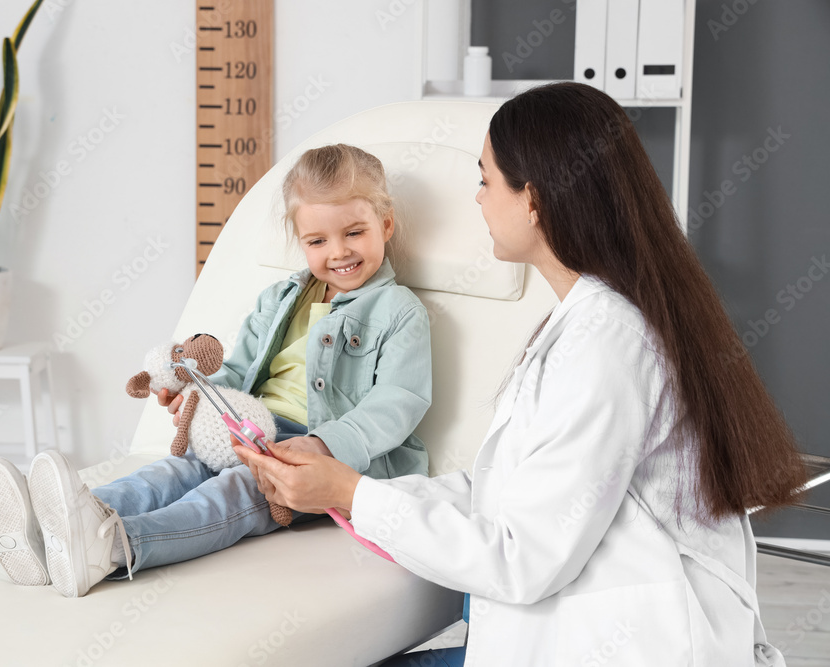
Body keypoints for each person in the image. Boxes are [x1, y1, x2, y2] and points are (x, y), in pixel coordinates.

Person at [235, 83, 807, 666]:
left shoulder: (607, 345)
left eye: (485, 179)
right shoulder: (590, 316)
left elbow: (521, 559)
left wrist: (350, 492)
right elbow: (506, 486)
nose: (478, 199)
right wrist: (351, 489)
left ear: (532, 199)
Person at [0, 144, 433, 599]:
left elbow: (397, 404)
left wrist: (323, 444)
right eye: (317, 240)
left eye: (354, 233)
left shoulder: (398, 310)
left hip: (314, 458)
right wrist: (200, 395)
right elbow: (239, 370)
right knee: (171, 472)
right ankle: (57, 525)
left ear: (385, 223)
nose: (338, 252)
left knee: (231, 493)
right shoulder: (281, 298)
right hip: (247, 429)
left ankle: (114, 546)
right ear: (301, 242)